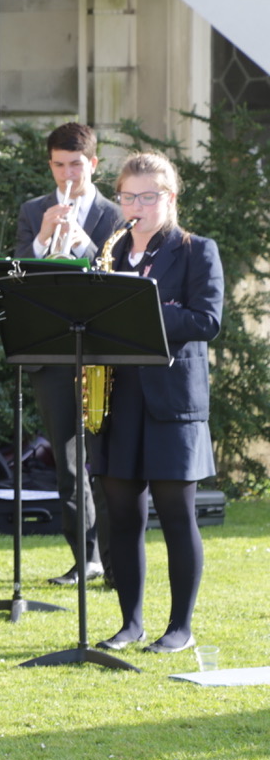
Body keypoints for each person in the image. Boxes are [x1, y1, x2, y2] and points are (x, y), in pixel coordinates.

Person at [92, 152, 223, 654]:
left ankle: (180, 627)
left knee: (175, 513)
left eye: (149, 196)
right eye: (129, 197)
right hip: (118, 397)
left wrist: (147, 313)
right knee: (122, 512)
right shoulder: (109, 251)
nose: (137, 206)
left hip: (171, 399)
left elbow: (207, 320)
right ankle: (130, 623)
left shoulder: (196, 251)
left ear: (170, 198)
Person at [15, 122, 124, 586]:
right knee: (67, 459)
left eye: (75, 165)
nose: (67, 174)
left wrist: (82, 243)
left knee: (110, 459)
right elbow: (16, 276)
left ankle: (117, 558)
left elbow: (123, 278)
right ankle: (86, 557)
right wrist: (42, 240)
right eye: (58, 165)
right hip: (53, 352)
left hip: (103, 351)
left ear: (93, 164)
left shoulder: (118, 214)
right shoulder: (32, 210)